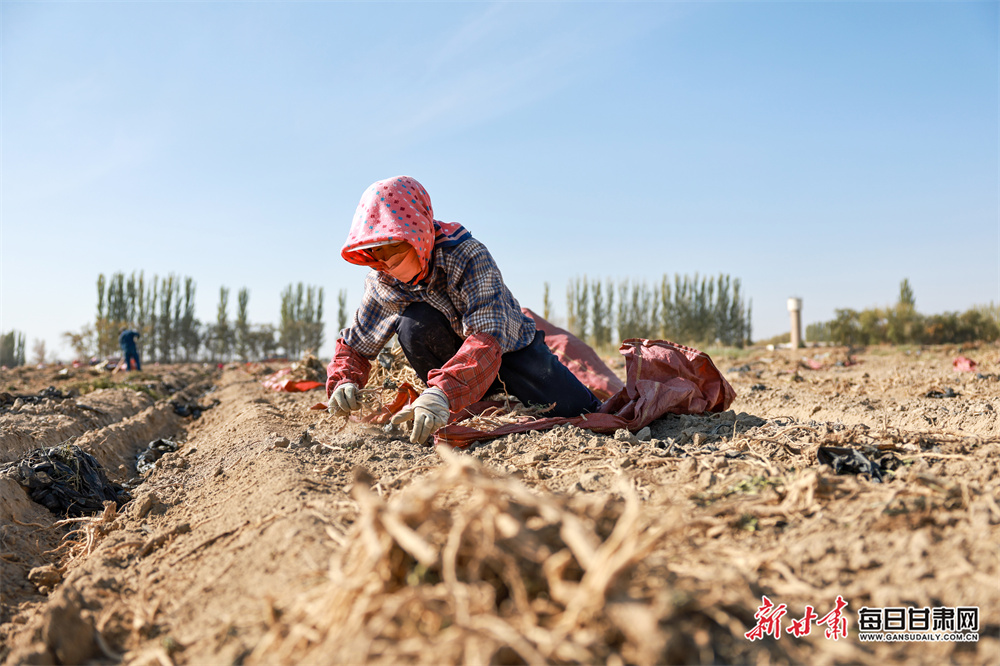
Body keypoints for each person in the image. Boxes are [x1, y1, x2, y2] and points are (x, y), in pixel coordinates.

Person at [326, 176, 601, 444]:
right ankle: (454, 405)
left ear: (418, 231)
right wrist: (343, 381)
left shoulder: (466, 255)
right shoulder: (382, 279)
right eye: (377, 252)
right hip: (451, 357)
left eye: (393, 247)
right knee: (412, 324)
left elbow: (487, 338)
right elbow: (358, 343)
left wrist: (443, 391)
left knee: (576, 409)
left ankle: (449, 397)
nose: (385, 262)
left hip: (510, 352)